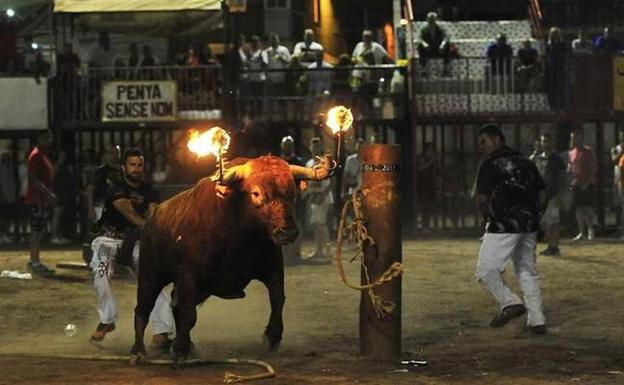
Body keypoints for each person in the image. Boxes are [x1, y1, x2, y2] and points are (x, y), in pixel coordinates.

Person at [89, 148, 174, 345]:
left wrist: (153, 227)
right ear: (123, 167)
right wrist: (150, 227)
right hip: (108, 241)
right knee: (101, 274)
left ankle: (162, 329)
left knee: (153, 280)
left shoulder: (150, 191)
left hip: (136, 242)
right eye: (132, 165)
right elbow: (129, 213)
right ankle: (107, 320)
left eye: (139, 165)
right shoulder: (116, 189)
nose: (136, 169)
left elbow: (154, 212)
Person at [474, 124, 547, 335]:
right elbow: (543, 195)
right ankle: (537, 320)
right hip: (528, 225)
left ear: (497, 140)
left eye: (483, 141)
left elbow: (482, 200)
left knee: (485, 271)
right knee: (527, 272)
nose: (480, 147)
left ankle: (509, 302)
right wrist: (535, 216)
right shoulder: (527, 162)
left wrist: (486, 217)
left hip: (502, 224)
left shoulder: (489, 165)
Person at [25, 131, 57, 276]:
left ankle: (35, 260)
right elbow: (33, 179)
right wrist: (48, 193)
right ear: (39, 139)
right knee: (36, 231)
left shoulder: (42, 155)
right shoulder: (36, 155)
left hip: (41, 199)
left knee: (39, 230)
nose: (49, 141)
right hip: (36, 199)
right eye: (46, 138)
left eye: (49, 138)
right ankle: (34, 262)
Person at [533, 134, 566, 256]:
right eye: (543, 141)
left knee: (554, 221)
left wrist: (561, 193)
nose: (545, 144)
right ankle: (549, 245)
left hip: (553, 195)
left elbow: (563, 177)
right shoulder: (538, 158)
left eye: (547, 141)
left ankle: (555, 247)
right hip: (542, 196)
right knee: (545, 222)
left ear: (551, 142)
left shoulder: (556, 158)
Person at [304, 138, 333, 260]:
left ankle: (327, 250)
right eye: (313, 146)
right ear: (310, 148)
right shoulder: (309, 163)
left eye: (317, 146)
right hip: (313, 196)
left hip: (323, 196)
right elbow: (307, 181)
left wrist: (323, 194)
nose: (315, 149)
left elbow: (332, 181)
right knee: (315, 224)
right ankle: (319, 250)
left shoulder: (324, 162)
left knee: (321, 224)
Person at [279, 136, 305, 265]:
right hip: (280, 199)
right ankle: (284, 255)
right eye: (286, 145)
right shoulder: (277, 162)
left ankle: (295, 254)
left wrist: (301, 191)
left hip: (296, 198)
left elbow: (304, 180)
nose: (287, 147)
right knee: (281, 225)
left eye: (289, 145)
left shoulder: (298, 161)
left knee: (297, 224)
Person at [568, 130, 597, 241]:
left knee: (588, 207)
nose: (574, 140)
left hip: (587, 184)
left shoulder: (588, 151)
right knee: (578, 208)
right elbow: (569, 166)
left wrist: (587, 182)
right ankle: (581, 232)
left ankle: (591, 230)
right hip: (576, 184)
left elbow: (593, 168)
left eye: (576, 137)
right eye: (573, 138)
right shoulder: (571, 152)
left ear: (580, 138)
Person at [86, 145, 122, 231]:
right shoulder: (99, 172)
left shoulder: (123, 171)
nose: (114, 156)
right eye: (111, 153)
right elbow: (91, 189)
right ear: (105, 155)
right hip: (100, 206)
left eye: (117, 153)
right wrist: (91, 208)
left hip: (119, 207)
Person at [416, 142, 440, 232]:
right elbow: (420, 169)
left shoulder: (433, 159)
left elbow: (438, 171)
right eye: (430, 150)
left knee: (430, 206)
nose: (431, 152)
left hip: (431, 185)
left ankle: (428, 226)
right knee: (424, 206)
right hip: (423, 186)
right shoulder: (422, 158)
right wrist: (431, 162)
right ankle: (424, 226)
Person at [545, 27, 566, 111]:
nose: (555, 36)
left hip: (560, 66)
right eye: (553, 34)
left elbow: (564, 54)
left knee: (560, 86)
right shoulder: (548, 45)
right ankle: (552, 106)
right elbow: (548, 55)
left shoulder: (562, 44)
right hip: (551, 68)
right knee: (552, 87)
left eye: (556, 34)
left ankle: (561, 105)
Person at [0, 152, 17, 244]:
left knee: (8, 217)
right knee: (3, 218)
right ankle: (1, 235)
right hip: (3, 198)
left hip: (11, 197)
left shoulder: (10, 168)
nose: (9, 160)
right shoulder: (1, 169)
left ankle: (5, 235)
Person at [610, 131, 624, 229]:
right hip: (618, 178)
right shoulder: (615, 149)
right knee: (618, 204)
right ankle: (619, 226)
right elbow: (614, 160)